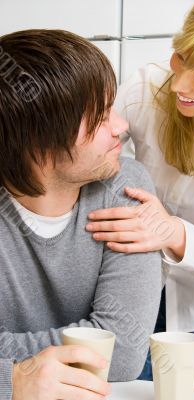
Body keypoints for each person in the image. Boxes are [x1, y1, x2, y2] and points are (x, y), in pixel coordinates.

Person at [85, 0, 194, 391]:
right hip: (121, 295)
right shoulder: (146, 89)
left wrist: (172, 233)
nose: (180, 84)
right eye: (181, 57)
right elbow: (92, 151)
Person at [0, 29, 162, 400]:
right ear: (40, 144)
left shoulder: (128, 187)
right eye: (101, 117)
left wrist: (14, 368)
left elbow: (122, 352)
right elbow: (105, 347)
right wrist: (14, 381)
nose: (121, 127)